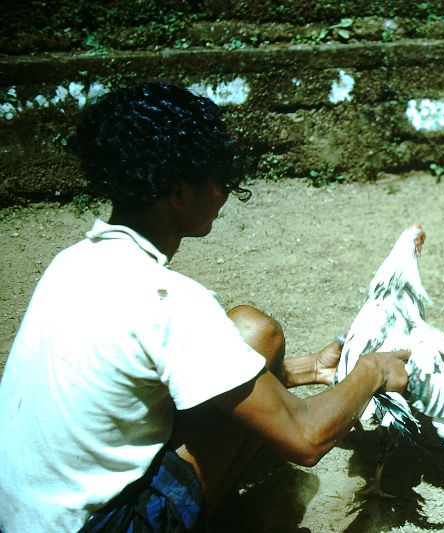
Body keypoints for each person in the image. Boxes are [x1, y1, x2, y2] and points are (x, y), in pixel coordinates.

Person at [0, 83, 410, 532]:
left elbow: (132, 370)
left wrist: (305, 369)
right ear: (178, 193)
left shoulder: (72, 262)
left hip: (24, 517)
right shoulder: (167, 298)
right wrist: (371, 372)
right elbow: (305, 438)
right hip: (99, 526)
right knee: (256, 356)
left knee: (253, 332)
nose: (223, 195)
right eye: (219, 182)